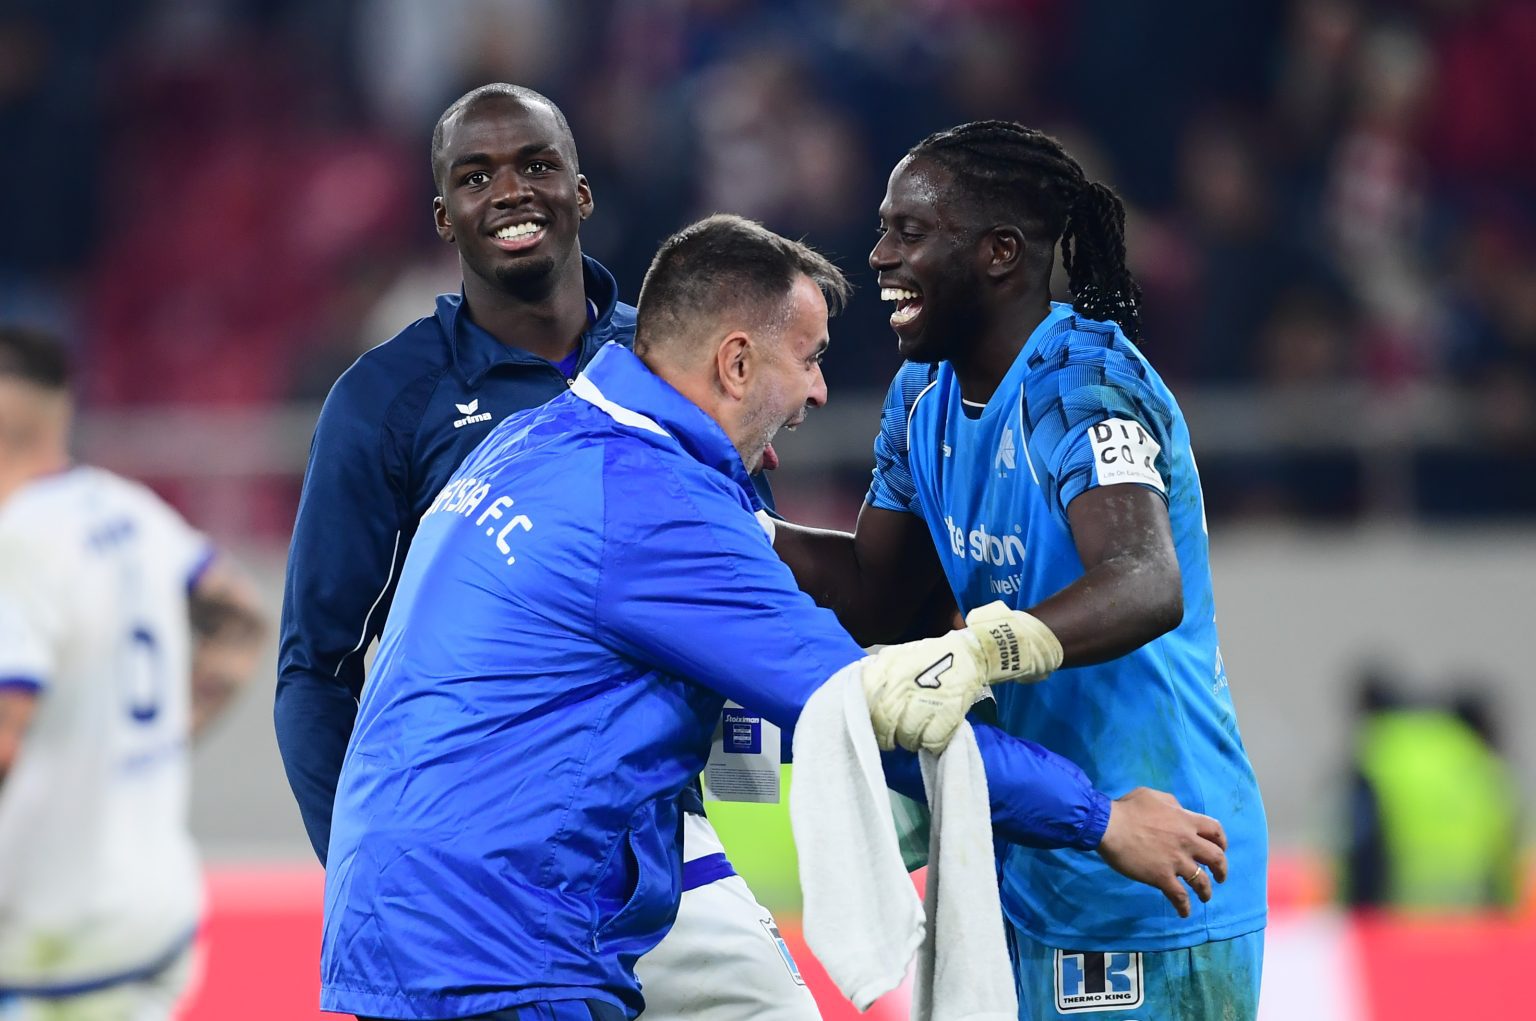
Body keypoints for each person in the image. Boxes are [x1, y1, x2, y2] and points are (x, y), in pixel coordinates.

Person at [320, 214, 1232, 1021]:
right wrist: (1100, 818)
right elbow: (865, 713)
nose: (821, 391)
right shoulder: (653, 506)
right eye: (811, 356)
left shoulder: (539, 440)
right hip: (503, 938)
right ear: (737, 362)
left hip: (411, 912)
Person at [273, 83, 817, 1021]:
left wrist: (760, 782)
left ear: (582, 190)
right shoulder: (385, 402)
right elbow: (313, 668)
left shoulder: (677, 354)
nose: (510, 191)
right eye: (475, 176)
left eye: (535, 164)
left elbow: (745, 576)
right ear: (442, 215)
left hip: (659, 835)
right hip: (487, 865)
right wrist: (385, 886)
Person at [771, 122, 1270, 1020]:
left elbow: (1144, 579)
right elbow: (880, 594)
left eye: (910, 231)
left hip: (1158, 871)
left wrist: (982, 652)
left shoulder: (1083, 383)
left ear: (1000, 253)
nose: (880, 255)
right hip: (1025, 863)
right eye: (884, 229)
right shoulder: (920, 396)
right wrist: (738, 533)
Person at [0, 325, 265, 1019]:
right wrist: (162, 737)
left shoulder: (14, 543)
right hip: (158, 916)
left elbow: (5, 736)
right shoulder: (126, 507)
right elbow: (240, 617)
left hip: (51, 939)